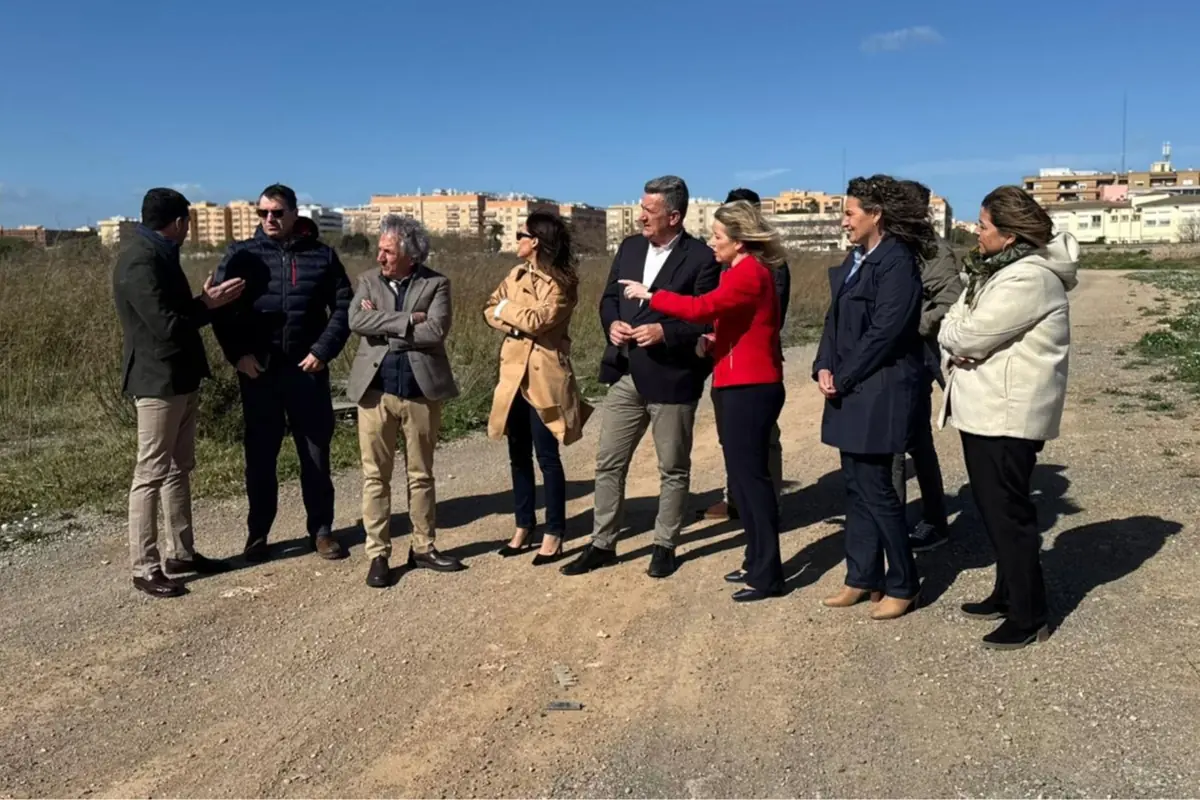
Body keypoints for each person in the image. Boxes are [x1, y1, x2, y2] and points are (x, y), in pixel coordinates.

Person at [620, 200, 786, 602]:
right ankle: (755, 558)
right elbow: (729, 319)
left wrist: (652, 295)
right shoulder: (738, 270)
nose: (712, 243)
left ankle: (769, 574)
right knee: (743, 484)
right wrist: (713, 341)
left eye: (717, 236)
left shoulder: (750, 271)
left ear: (740, 240)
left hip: (752, 386)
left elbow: (702, 307)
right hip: (735, 383)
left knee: (752, 482)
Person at [938, 185, 1078, 650]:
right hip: (987, 411)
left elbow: (969, 335)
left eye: (983, 226)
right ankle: (1007, 592)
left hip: (1007, 415)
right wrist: (957, 327)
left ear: (1010, 235)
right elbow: (960, 318)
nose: (976, 234)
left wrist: (955, 333)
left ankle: (1029, 614)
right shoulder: (995, 272)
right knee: (992, 509)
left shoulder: (1029, 278)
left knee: (1008, 514)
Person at [560, 176, 720, 579]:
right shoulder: (630, 248)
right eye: (640, 207)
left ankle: (665, 544)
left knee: (672, 467)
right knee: (608, 462)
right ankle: (602, 542)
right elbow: (609, 298)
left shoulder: (701, 258)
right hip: (627, 372)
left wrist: (665, 332)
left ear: (674, 215)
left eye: (649, 210)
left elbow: (706, 317)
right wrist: (611, 324)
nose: (640, 216)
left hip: (672, 376)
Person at [113, 187, 245, 598]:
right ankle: (145, 566)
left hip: (179, 379)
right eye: (187, 222)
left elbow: (174, 315)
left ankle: (181, 553)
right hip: (157, 383)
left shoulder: (158, 254)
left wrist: (203, 303)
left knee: (177, 469)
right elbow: (166, 326)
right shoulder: (140, 259)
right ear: (180, 223)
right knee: (150, 473)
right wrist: (208, 305)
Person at [212, 184, 353, 563]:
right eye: (263, 213)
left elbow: (344, 307)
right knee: (260, 457)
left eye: (276, 212)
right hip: (259, 372)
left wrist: (323, 351)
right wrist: (237, 355)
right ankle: (258, 535)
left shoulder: (322, 257)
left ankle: (321, 530)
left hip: (307, 371)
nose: (269, 219)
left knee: (316, 454)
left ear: (293, 213)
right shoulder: (240, 255)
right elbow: (220, 310)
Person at [814, 175, 931, 620]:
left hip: (879, 390)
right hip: (850, 387)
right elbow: (833, 321)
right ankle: (861, 577)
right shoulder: (856, 260)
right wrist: (823, 365)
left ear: (875, 215)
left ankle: (904, 582)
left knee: (878, 488)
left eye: (849, 213)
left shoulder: (897, 263)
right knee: (855, 487)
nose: (844, 221)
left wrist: (842, 376)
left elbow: (886, 332)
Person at [347, 215, 463, 588]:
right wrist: (406, 320)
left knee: (421, 474)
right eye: (379, 249)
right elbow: (355, 321)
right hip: (376, 392)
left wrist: (383, 323)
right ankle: (378, 554)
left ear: (410, 254)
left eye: (388, 250)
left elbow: (436, 330)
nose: (379, 257)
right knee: (375, 477)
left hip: (420, 393)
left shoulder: (436, 283)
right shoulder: (367, 280)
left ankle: (423, 546)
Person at [485, 213, 594, 564]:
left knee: (548, 457)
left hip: (544, 379)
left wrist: (508, 312)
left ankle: (555, 531)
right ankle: (523, 525)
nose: (516, 239)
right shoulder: (515, 275)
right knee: (517, 454)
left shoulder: (562, 283)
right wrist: (510, 314)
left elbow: (539, 320)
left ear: (536, 241)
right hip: (513, 376)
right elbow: (489, 308)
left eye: (521, 234)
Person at [699, 187, 790, 522]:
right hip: (729, 364)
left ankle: (765, 508)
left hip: (753, 370)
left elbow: (765, 318)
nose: (713, 239)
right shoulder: (728, 264)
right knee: (733, 443)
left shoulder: (765, 266)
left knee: (761, 445)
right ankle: (739, 501)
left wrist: (653, 296)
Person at [893, 179, 962, 552]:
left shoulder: (934, 250)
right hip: (905, 354)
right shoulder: (900, 247)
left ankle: (934, 520)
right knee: (909, 440)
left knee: (916, 441)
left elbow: (949, 299)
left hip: (922, 354)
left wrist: (911, 323)